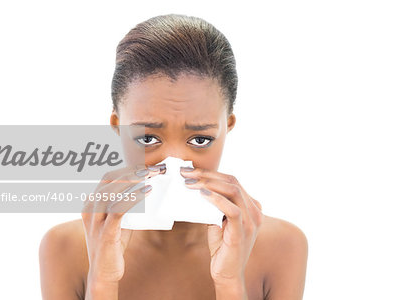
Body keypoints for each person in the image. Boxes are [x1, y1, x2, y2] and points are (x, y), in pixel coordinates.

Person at [39, 14, 308, 300]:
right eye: (147, 139)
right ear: (118, 126)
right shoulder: (64, 248)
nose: (175, 161)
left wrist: (229, 282)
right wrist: (102, 281)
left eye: (200, 140)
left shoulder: (283, 246)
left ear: (227, 126)